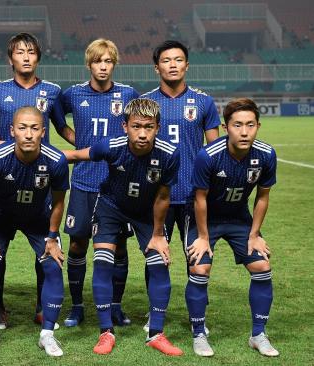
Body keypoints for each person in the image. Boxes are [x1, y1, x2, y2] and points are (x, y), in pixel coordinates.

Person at [63, 98, 183, 356]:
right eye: (136, 126)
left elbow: (163, 197)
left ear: (158, 128)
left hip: (146, 212)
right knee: (103, 261)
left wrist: (159, 234)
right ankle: (106, 332)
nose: (142, 133)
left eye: (149, 127)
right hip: (111, 208)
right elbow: (74, 155)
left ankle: (156, 334)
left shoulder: (169, 153)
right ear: (124, 126)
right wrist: (36, 153)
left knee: (159, 263)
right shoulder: (111, 146)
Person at [0, 32, 75, 329]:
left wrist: (85, 149)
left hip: (39, 182)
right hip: (7, 174)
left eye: (31, 52)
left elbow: (61, 126)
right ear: (10, 59)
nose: (25, 56)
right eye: (19, 52)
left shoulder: (52, 90)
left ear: (37, 57)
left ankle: (40, 306)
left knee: (46, 252)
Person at [184, 98, 279, 357]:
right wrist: (203, 237)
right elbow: (200, 199)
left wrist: (255, 234)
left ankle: (258, 334)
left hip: (239, 218)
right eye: (238, 125)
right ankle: (199, 334)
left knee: (262, 266)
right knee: (200, 267)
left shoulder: (266, 154)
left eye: (250, 125)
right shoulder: (209, 156)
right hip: (205, 218)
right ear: (227, 127)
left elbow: (262, 196)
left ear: (258, 125)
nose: (245, 131)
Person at [0, 107, 68, 358]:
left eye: (34, 128)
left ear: (43, 132)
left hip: (38, 218)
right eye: (23, 128)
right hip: (2, 217)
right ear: (12, 131)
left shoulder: (56, 160)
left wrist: (52, 238)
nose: (28, 134)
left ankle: (47, 335)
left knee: (53, 265)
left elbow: (59, 202)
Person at [141, 40, 219, 333]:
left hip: (191, 193)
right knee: (154, 257)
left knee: (196, 257)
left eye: (178, 59)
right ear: (156, 67)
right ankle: (154, 312)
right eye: (166, 60)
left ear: (187, 65)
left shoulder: (203, 101)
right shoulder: (145, 103)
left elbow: (215, 149)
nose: (172, 64)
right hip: (155, 194)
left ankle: (196, 314)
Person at [60, 38, 139, 328]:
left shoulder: (128, 94)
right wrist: (77, 141)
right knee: (78, 244)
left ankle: (116, 306)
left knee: (118, 246)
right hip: (83, 180)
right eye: (97, 61)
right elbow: (57, 120)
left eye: (108, 61)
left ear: (114, 63)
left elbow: (138, 127)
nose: (103, 67)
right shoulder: (72, 94)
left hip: (117, 184)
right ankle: (77, 306)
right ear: (89, 64)